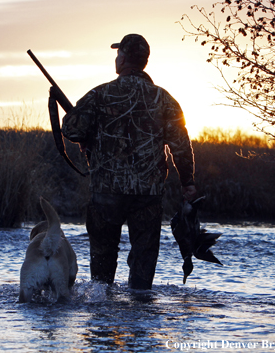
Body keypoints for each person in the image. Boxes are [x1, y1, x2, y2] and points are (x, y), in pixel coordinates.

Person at [61, 33, 197, 290]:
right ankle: (140, 320)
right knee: (143, 270)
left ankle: (101, 321)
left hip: (106, 193)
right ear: (144, 61)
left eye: (118, 54)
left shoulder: (100, 95)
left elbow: (70, 129)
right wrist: (188, 182)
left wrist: (90, 135)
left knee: (101, 271)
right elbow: (180, 145)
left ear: (122, 58)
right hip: (147, 194)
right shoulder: (164, 99)